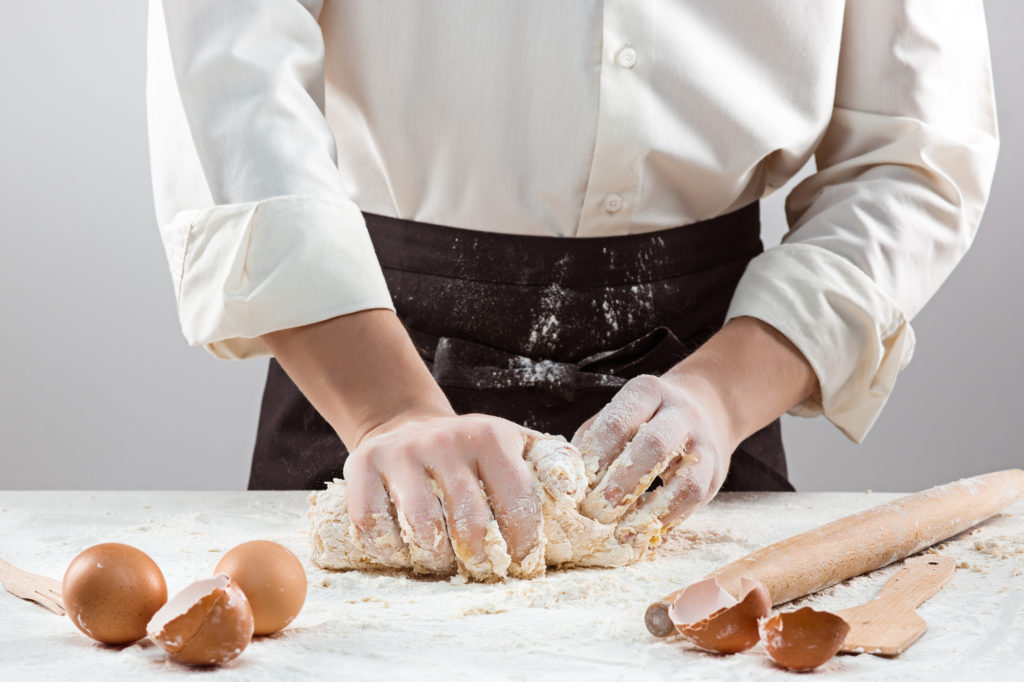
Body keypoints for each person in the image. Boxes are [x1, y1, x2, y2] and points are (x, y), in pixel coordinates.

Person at [146, 1, 998, 571]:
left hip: (703, 394)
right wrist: (386, 411)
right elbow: (230, 69)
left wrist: (724, 394)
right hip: (363, 353)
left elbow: (914, 156)